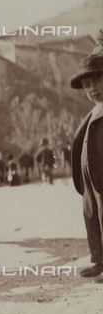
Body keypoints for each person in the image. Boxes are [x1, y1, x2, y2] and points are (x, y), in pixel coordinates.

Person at [69, 32, 103, 278]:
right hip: (92, 177)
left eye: (99, 80)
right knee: (92, 213)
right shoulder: (92, 114)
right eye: (87, 85)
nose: (93, 89)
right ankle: (100, 260)